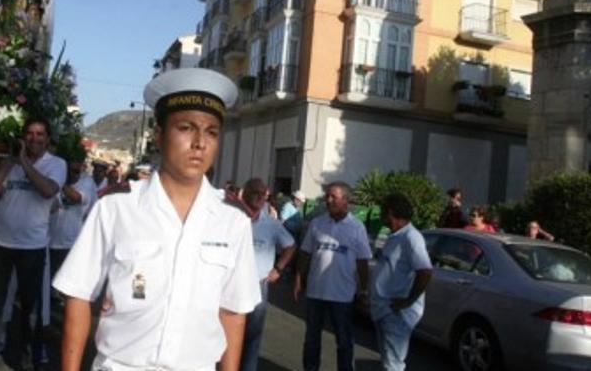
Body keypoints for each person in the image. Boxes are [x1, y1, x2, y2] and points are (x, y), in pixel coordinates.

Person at [52, 68, 261, 371]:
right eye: (186, 128)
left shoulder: (233, 220)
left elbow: (232, 313)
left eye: (212, 132)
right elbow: (79, 295)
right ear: (159, 136)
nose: (200, 142)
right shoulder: (116, 207)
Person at [0, 117, 67, 370]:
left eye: (40, 134)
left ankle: (29, 356)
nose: (34, 138)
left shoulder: (56, 164)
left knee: (31, 308)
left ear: (48, 139)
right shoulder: (11, 163)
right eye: (30, 133)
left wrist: (24, 161)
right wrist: (10, 161)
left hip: (32, 248)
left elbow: (48, 190)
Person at [293, 181, 372, 371]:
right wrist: (298, 280)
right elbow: (305, 253)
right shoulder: (317, 223)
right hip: (315, 293)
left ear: (345, 201)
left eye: (333, 197)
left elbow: (363, 262)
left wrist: (363, 290)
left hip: (342, 296)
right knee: (312, 339)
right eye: (327, 196)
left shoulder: (356, 227)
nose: (328, 200)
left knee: (344, 342)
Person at [370, 193, 433, 371]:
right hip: (383, 309)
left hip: (396, 314)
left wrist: (407, 301)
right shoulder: (393, 236)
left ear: (390, 212)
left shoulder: (411, 237)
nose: (381, 216)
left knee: (393, 365)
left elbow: (425, 272)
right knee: (387, 362)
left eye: (383, 211)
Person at [239, 178, 297, 371]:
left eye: (262, 194)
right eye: (254, 192)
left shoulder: (271, 224)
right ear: (244, 193)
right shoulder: (232, 218)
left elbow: (290, 246)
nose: (258, 197)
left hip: (258, 286)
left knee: (252, 338)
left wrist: (278, 269)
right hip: (230, 285)